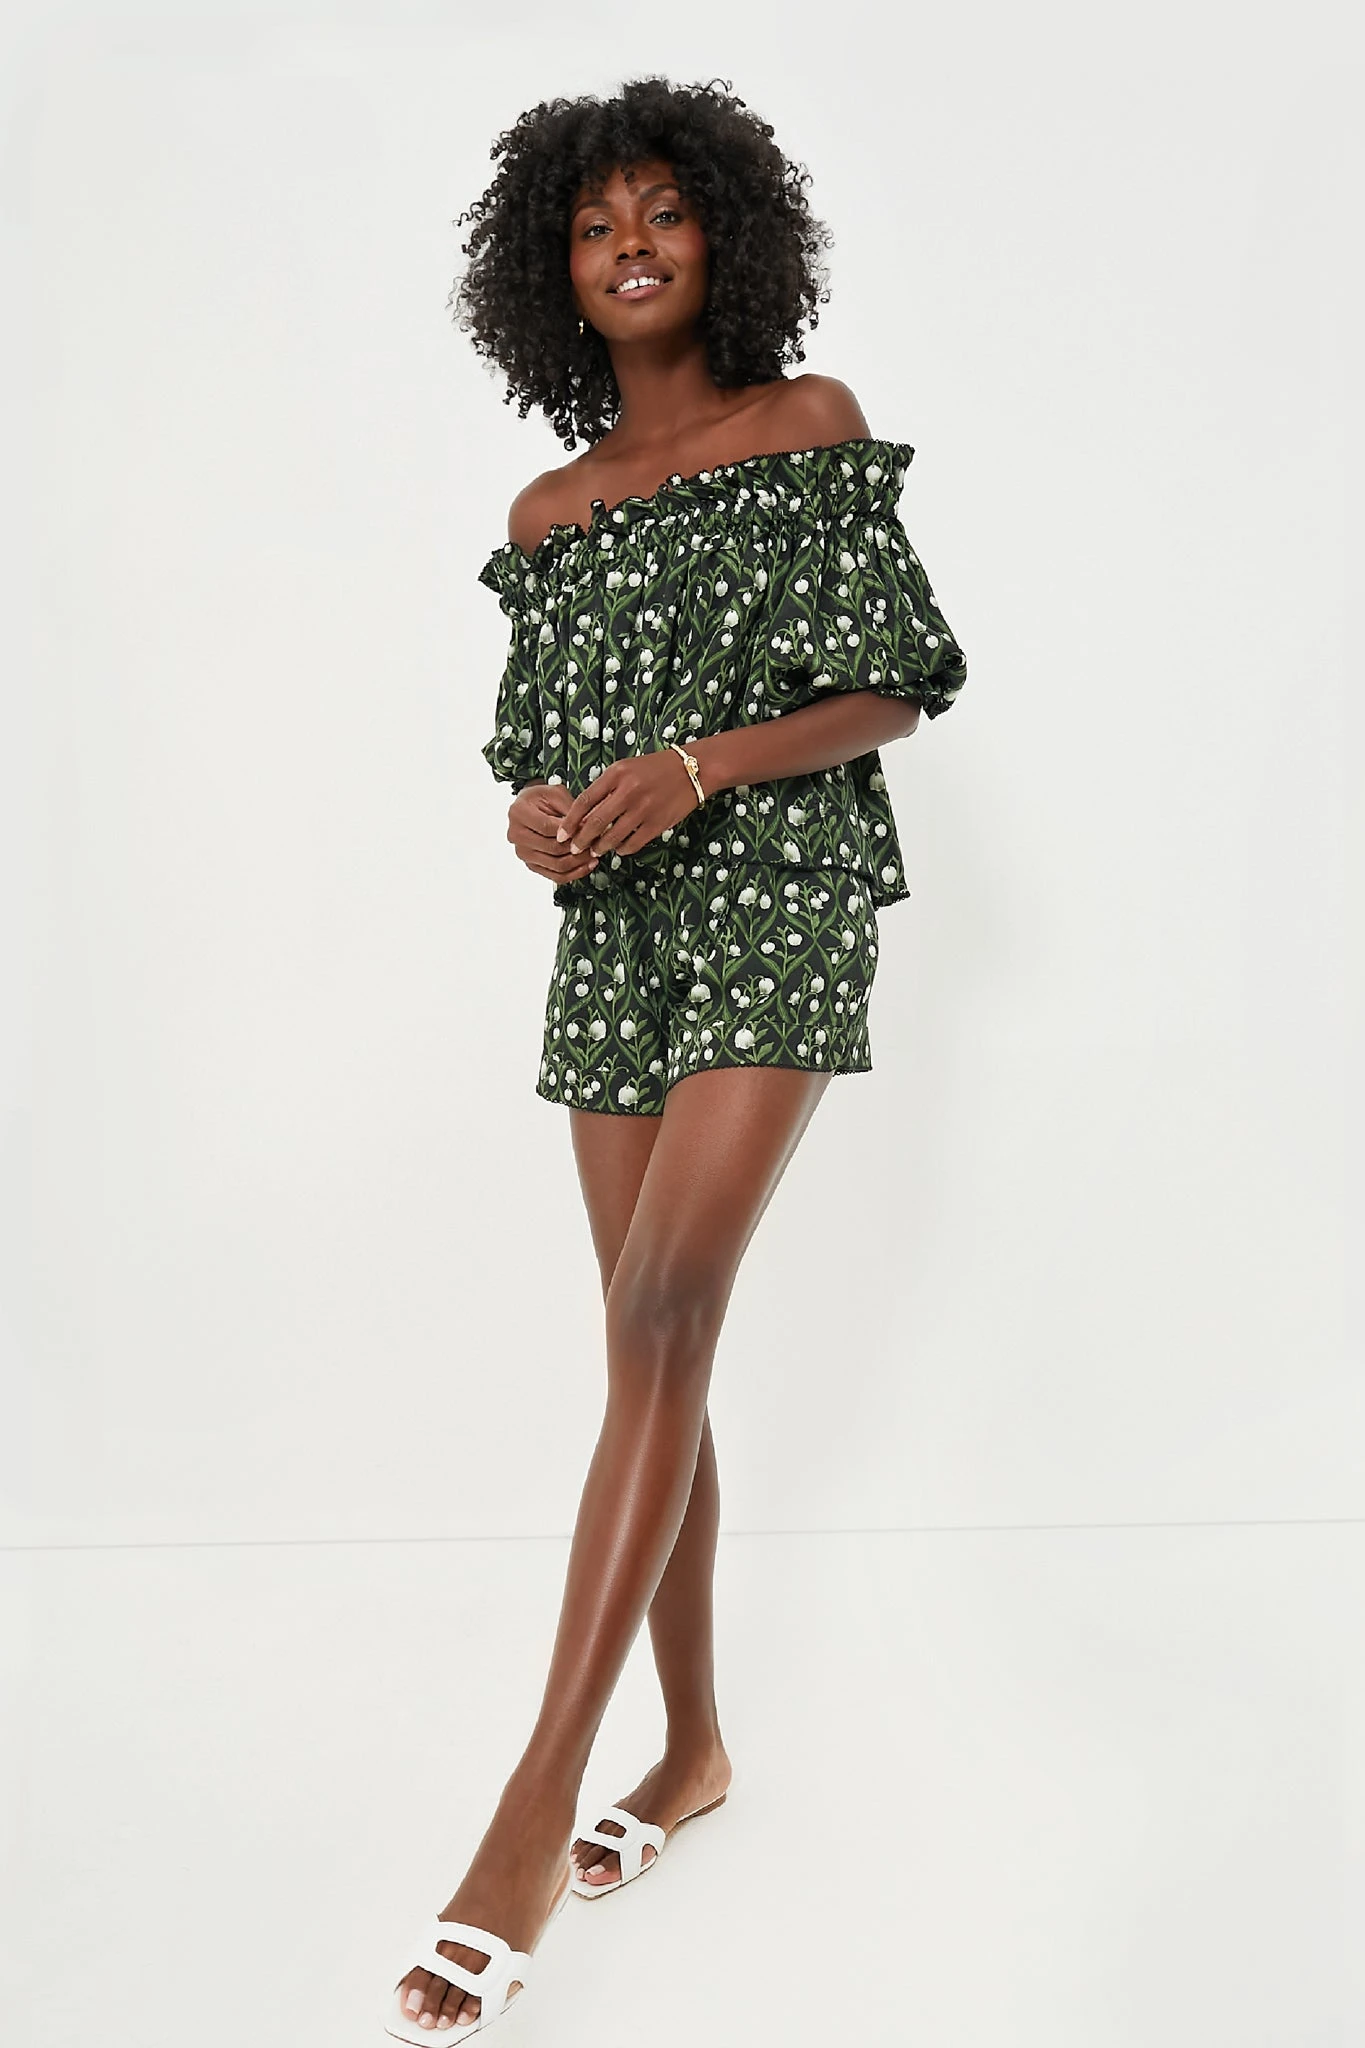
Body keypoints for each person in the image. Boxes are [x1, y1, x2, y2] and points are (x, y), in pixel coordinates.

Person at [387, 75, 967, 2040]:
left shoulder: (802, 424)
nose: (630, 246)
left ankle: (530, 1804)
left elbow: (888, 688)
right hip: (620, 932)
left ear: (725, 231)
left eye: (663, 212)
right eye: (592, 226)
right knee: (654, 1346)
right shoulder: (547, 515)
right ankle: (692, 1747)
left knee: (661, 1315)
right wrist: (545, 816)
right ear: (549, 272)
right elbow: (543, 757)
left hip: (781, 887)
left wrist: (704, 764)